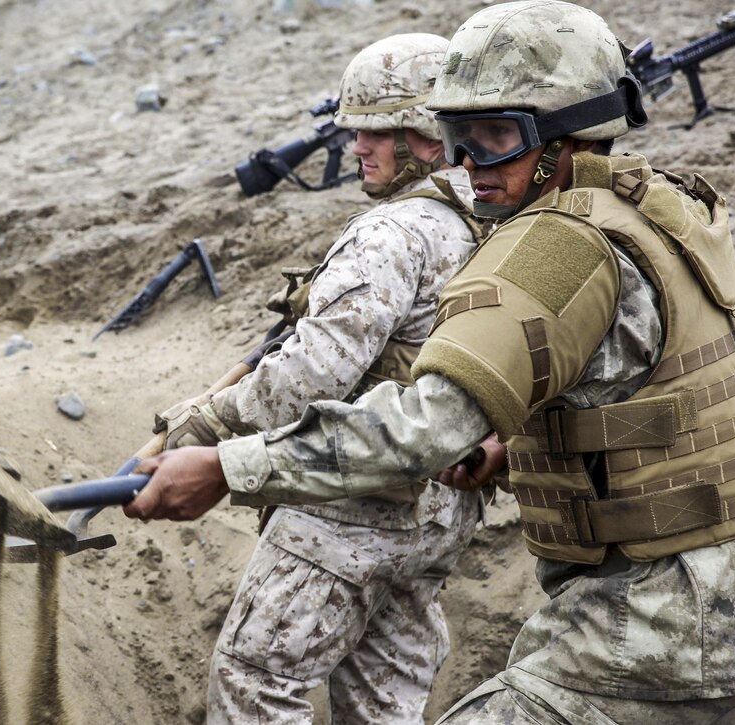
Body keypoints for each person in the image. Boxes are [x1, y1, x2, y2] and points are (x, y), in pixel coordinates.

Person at [125, 1, 735, 722]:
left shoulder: (554, 246)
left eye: (497, 136)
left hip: (645, 637)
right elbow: (642, 386)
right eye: (457, 138)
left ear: (569, 131)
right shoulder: (662, 208)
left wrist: (226, 465)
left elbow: (419, 427)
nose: (470, 164)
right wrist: (506, 446)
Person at [151, 33, 491, 723]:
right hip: (440, 510)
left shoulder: (393, 233)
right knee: (384, 700)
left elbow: (310, 376)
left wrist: (208, 422)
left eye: (377, 132)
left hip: (354, 503)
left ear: (427, 136)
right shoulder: (489, 222)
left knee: (255, 679)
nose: (357, 147)